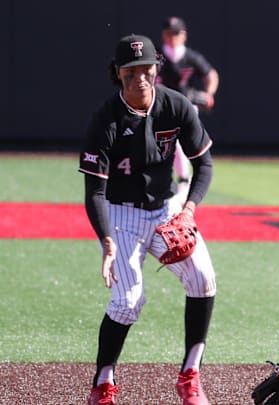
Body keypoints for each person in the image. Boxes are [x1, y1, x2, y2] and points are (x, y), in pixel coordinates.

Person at [79, 34, 216, 405]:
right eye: (130, 71)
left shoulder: (176, 106)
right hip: (122, 214)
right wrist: (106, 242)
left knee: (203, 279)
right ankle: (103, 383)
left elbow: (203, 163)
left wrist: (188, 210)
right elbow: (94, 193)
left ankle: (190, 376)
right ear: (117, 75)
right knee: (127, 301)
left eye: (145, 69)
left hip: (167, 208)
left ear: (157, 69)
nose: (139, 77)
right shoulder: (105, 121)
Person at [156, 16, 220, 201]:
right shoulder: (158, 56)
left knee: (183, 144)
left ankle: (184, 182)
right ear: (164, 35)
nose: (172, 37)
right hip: (161, 106)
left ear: (183, 35)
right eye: (169, 33)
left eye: (176, 33)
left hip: (185, 106)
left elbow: (211, 75)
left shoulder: (190, 57)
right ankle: (172, 182)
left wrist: (209, 94)